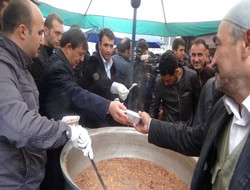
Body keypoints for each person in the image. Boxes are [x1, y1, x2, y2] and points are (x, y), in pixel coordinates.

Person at [134, 0, 250, 189]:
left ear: (247, 43)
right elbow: (194, 138)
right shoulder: (225, 107)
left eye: (218, 46)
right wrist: (152, 125)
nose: (212, 62)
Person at [0, 0, 92, 189]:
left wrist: (62, 124)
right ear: (23, 31)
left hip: (27, 177)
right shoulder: (3, 67)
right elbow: (18, 123)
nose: (43, 40)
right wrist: (66, 131)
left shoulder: (22, 67)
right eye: (41, 32)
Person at [39, 28, 132, 190]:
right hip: (52, 140)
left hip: (63, 130)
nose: (82, 59)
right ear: (68, 48)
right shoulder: (57, 68)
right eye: (81, 54)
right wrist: (107, 106)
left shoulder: (64, 64)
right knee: (55, 180)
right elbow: (76, 94)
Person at [148, 50, 201, 125]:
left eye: (168, 80)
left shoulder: (191, 77)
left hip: (188, 129)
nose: (165, 83)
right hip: (169, 129)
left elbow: (198, 105)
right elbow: (153, 108)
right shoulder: (159, 83)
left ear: (177, 72)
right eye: (164, 80)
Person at [29, 13, 64, 91]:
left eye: (62, 34)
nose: (60, 38)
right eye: (57, 33)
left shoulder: (55, 55)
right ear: (46, 31)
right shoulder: (37, 56)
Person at [112, 37, 133, 106]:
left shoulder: (110, 59)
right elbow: (129, 87)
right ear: (127, 51)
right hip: (121, 102)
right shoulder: (127, 66)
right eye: (131, 50)